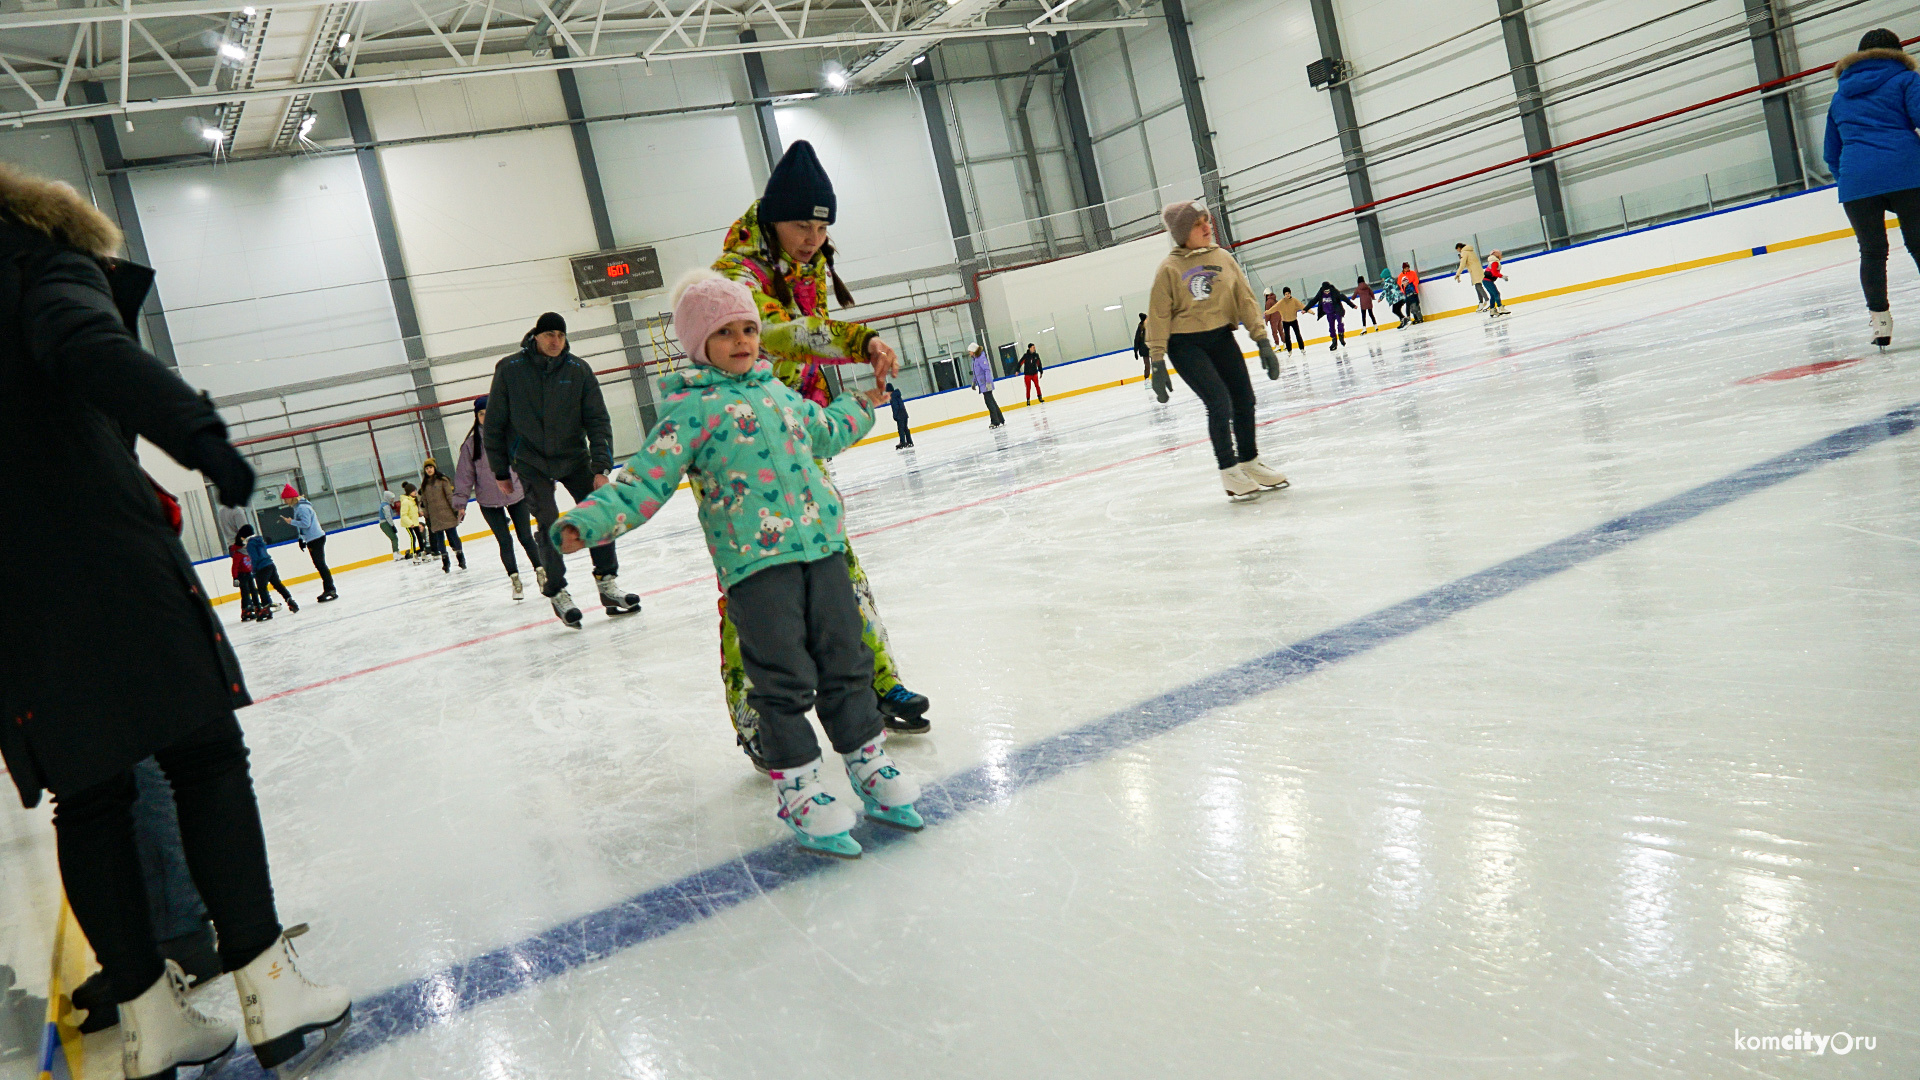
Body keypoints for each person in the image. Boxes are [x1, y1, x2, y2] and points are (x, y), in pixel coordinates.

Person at [0, 162, 349, 1080]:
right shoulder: (40, 259)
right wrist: (199, 436)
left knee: (93, 798)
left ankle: (153, 1024)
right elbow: (92, 347)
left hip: (11, 612)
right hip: (107, 569)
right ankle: (268, 986)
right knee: (202, 759)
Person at [554, 271, 923, 858]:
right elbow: (645, 479)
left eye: (748, 328)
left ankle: (868, 765)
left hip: (823, 551)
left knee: (847, 662)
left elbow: (823, 431)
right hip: (756, 567)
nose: (744, 340)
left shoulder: (778, 394)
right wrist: (589, 523)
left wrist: (862, 404)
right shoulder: (692, 411)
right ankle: (800, 790)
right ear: (699, 344)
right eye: (725, 332)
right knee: (780, 682)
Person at [710, 140, 932, 766]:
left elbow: (798, 348)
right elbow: (778, 332)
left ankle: (877, 681)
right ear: (772, 218)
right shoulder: (736, 277)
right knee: (750, 590)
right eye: (801, 225)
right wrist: (859, 339)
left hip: (798, 439)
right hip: (740, 455)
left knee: (837, 564)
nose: (812, 238)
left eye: (821, 225)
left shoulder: (804, 266)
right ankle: (755, 718)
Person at [483, 311, 639, 627]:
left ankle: (607, 584)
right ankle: (558, 591)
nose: (555, 341)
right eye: (549, 335)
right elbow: (495, 422)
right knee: (549, 520)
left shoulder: (578, 370)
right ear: (535, 337)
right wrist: (500, 471)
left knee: (600, 512)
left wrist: (601, 468)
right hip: (531, 460)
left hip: (573, 457)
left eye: (561, 335)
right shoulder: (510, 369)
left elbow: (597, 420)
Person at [1145, 200, 1290, 500]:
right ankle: (1229, 471)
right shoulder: (1169, 269)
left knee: (1244, 398)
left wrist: (1262, 341)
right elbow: (1158, 316)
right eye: (1198, 224)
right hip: (1185, 345)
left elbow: (1245, 300)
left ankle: (1249, 461)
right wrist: (1156, 361)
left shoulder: (1222, 258)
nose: (1206, 227)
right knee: (1219, 402)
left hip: (1221, 337)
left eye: (1207, 221)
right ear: (1183, 232)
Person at [1824, 28, 1920, 350]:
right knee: (1919, 242)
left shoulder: (1840, 95)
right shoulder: (1907, 80)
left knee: (1872, 251)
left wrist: (1852, 177)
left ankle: (1880, 323)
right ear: (1898, 52)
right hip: (1907, 172)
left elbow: (1830, 152)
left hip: (1857, 182)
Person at [455, 394, 542, 600]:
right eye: (481, 414)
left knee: (526, 537)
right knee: (504, 541)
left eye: (489, 412)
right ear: (477, 417)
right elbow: (464, 476)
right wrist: (460, 503)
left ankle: (541, 572)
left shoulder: (510, 435)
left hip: (515, 494)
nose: (486, 417)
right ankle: (515, 580)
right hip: (488, 501)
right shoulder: (471, 445)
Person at [278, 483, 336, 601]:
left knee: (320, 564)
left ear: (291, 498)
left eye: (285, 499)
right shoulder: (299, 507)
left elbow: (306, 524)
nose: (285, 501)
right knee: (319, 564)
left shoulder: (302, 508)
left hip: (315, 538)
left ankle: (330, 589)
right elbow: (303, 526)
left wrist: (291, 522)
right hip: (312, 538)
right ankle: (329, 588)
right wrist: (301, 538)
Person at [417, 457, 465, 574]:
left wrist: (455, 510)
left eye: (431, 467)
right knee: (439, 540)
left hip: (447, 514)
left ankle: (461, 558)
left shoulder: (443, 480)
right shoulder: (424, 485)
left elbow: (449, 496)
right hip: (435, 517)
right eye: (427, 468)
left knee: (453, 536)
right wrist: (427, 515)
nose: (429, 470)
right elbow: (425, 502)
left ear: (434, 468)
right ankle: (446, 562)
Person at [241, 524, 295, 616]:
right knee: (277, 584)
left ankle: (266, 608)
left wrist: (254, 571)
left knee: (262, 588)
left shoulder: (250, 544)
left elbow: (254, 559)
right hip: (270, 565)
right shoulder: (259, 540)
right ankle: (290, 600)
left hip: (261, 568)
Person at [1304, 280, 1356, 351]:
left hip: (1337, 311)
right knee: (1331, 327)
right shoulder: (1321, 293)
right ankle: (1334, 341)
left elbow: (1343, 297)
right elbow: (1314, 301)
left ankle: (1341, 336)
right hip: (1329, 313)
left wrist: (1352, 305)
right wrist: (1305, 309)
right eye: (1325, 291)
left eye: (1328, 290)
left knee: (1340, 323)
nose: (1327, 292)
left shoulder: (1334, 292)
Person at [970, 343, 1005, 427]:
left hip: (986, 384)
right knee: (991, 402)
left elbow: (987, 370)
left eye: (970, 351)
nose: (969, 353)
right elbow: (976, 373)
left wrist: (988, 383)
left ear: (973, 351)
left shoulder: (981, 358)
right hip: (982, 385)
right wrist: (974, 382)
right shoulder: (975, 360)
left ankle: (995, 421)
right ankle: (1000, 419)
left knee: (989, 403)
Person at [1264, 287, 1307, 354]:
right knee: (1282, 331)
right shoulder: (1275, 300)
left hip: (1273, 319)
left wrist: (1266, 319)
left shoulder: (1268, 302)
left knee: (1275, 332)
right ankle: (1284, 344)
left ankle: (1277, 345)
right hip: (1280, 318)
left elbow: (1269, 311)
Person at [229, 530, 261, 621]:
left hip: (248, 574)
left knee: (254, 591)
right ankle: (245, 610)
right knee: (245, 592)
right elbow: (234, 567)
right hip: (241, 575)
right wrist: (235, 578)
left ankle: (257, 606)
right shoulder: (238, 554)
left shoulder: (247, 550)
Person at [1454, 241, 1489, 312]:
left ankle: (1487, 300)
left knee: (1478, 286)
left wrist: (1458, 274)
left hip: (1474, 271)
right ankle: (1481, 303)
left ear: (1459, 248)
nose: (1458, 251)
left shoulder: (1464, 252)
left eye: (1457, 249)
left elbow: (1462, 264)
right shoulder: (1470, 251)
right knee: (1477, 286)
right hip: (1477, 269)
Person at [399, 481, 425, 562]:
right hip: (408, 524)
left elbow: (412, 512)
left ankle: (423, 553)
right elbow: (404, 515)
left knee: (420, 537)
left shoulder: (413, 500)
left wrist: (418, 513)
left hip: (415, 522)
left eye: (415, 490)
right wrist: (410, 523)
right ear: (409, 492)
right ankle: (414, 555)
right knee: (413, 537)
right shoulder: (405, 501)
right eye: (413, 491)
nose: (415, 492)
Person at [1482, 250, 1511, 316]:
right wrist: (1502, 276)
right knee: (1496, 293)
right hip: (1487, 280)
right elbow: (1494, 273)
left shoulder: (1492, 262)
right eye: (1500, 254)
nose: (1501, 255)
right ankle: (1501, 308)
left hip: (1485, 280)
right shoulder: (1495, 262)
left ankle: (1492, 310)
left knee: (1493, 295)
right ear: (1496, 254)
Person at [376, 488, 401, 562]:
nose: (392, 500)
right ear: (388, 498)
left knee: (394, 538)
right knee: (394, 538)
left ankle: (397, 552)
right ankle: (396, 553)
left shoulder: (384, 504)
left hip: (385, 523)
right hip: (385, 523)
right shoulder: (385, 506)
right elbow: (388, 517)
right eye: (391, 499)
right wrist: (392, 526)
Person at [889, 382, 914, 449]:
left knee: (901, 429)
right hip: (904, 414)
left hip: (900, 415)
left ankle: (902, 443)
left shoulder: (893, 397)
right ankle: (910, 442)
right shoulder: (897, 395)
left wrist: (895, 416)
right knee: (905, 428)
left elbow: (895, 407)